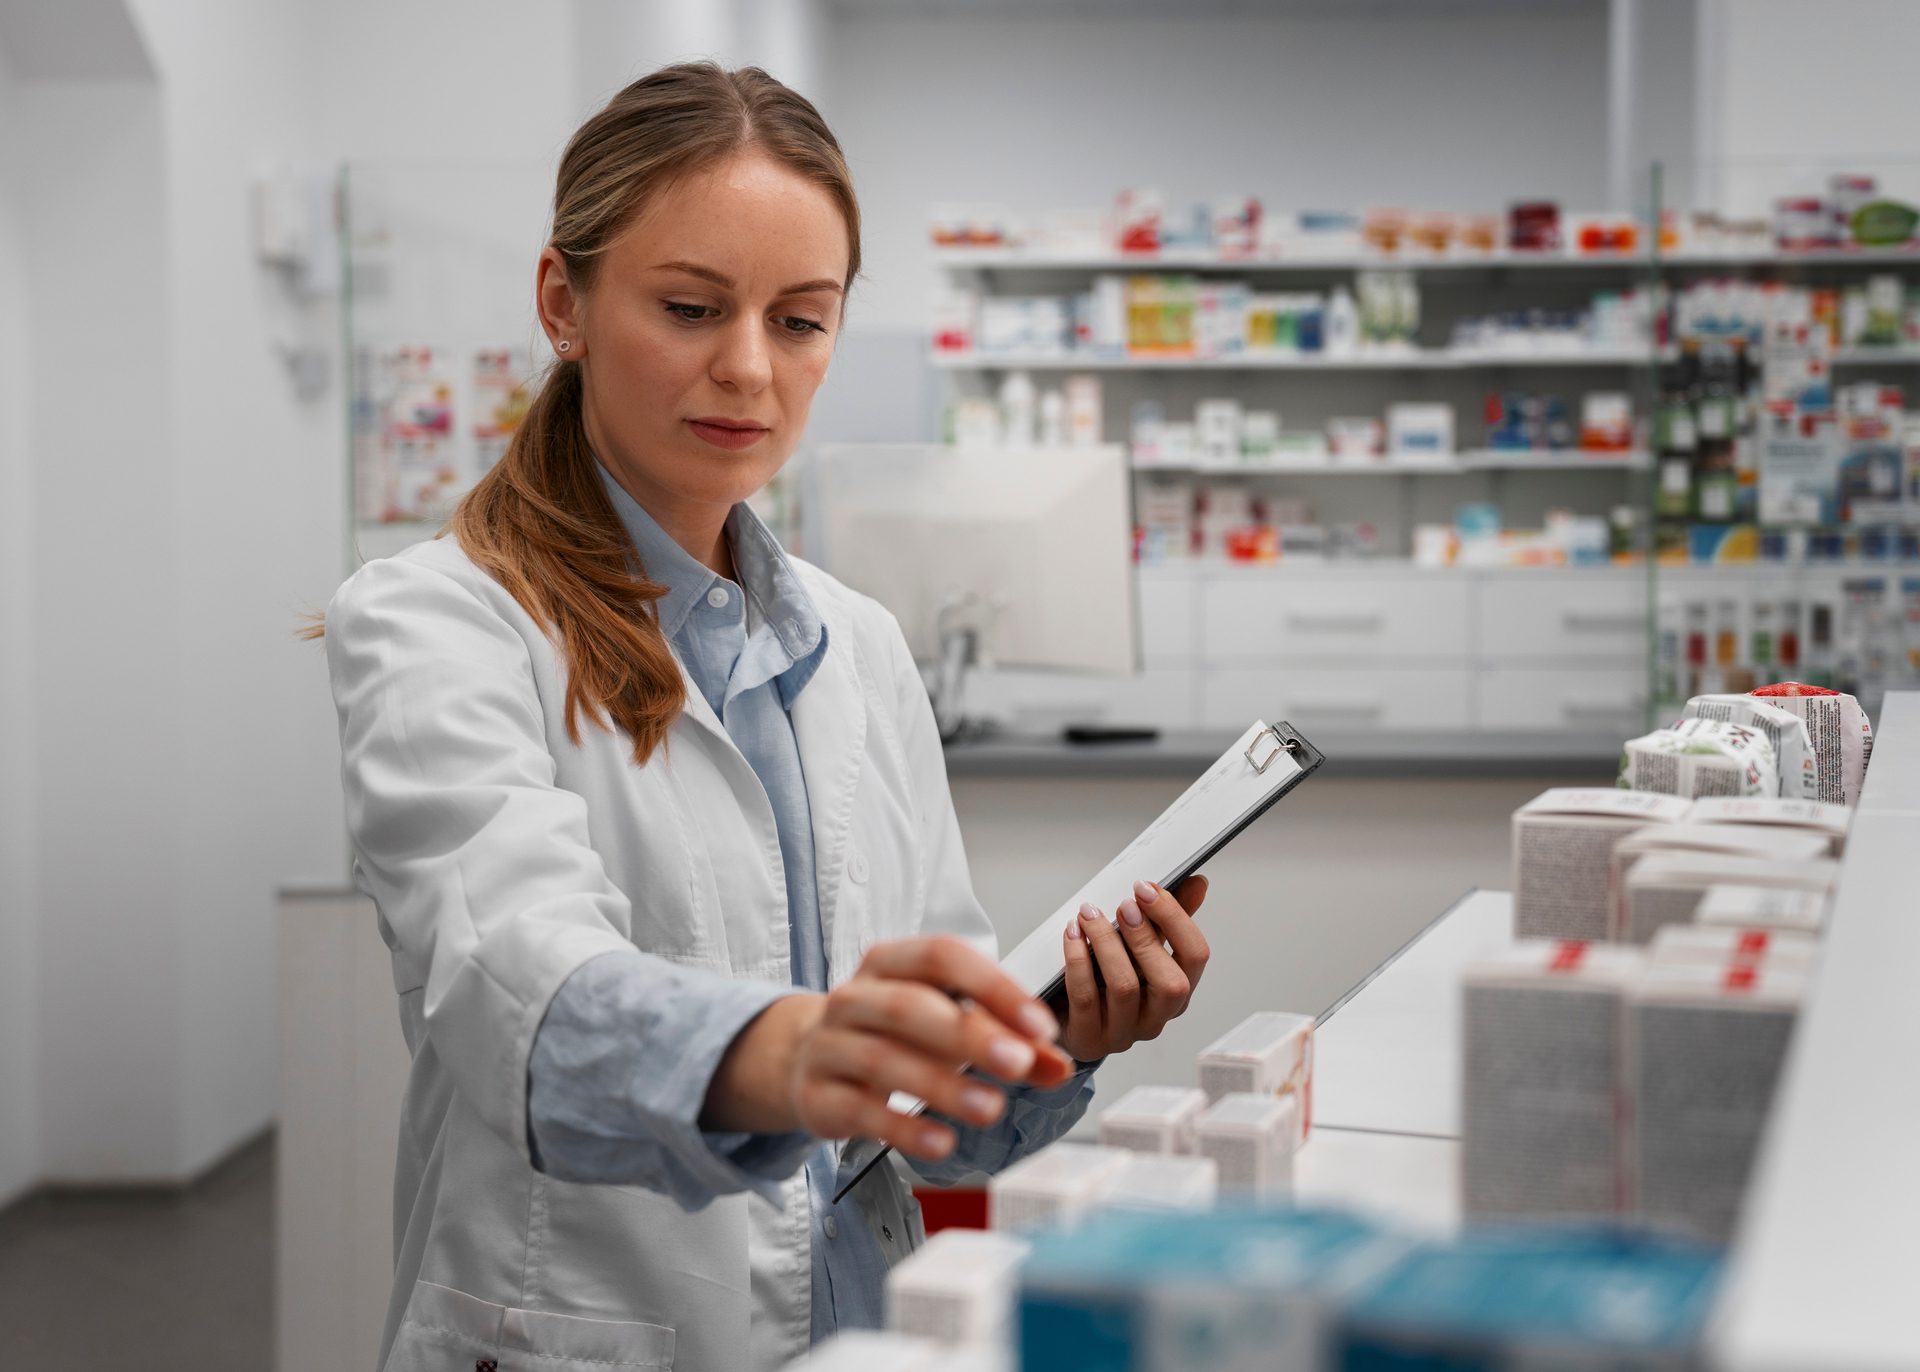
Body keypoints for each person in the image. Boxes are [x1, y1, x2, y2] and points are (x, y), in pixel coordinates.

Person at [318, 62, 1212, 1372]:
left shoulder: (856, 646)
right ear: (564, 300)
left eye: (801, 322)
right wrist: (795, 1051)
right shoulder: (434, 622)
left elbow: (926, 1116)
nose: (748, 369)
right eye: (690, 307)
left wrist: (1055, 1030)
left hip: (859, 1326)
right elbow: (521, 997)